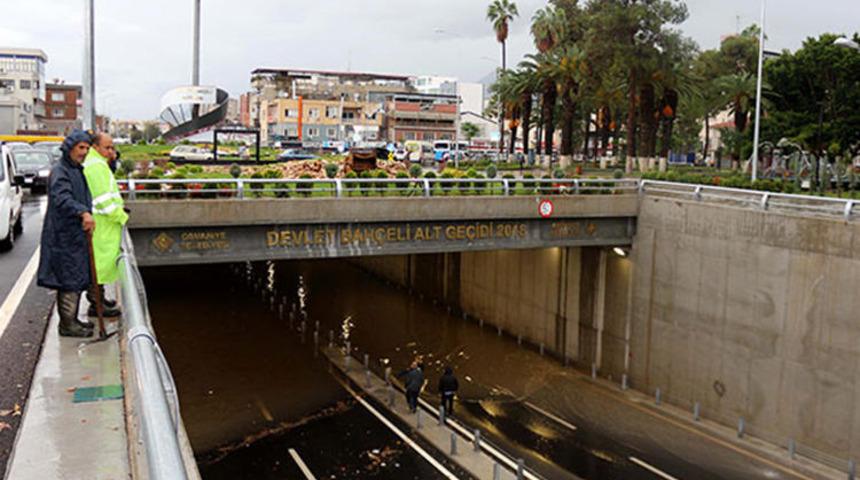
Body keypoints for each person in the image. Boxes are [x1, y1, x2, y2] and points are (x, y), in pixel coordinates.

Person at [37, 130, 96, 337]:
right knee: (68, 278)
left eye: (87, 148)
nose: (84, 152)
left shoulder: (76, 169)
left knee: (77, 276)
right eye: (81, 148)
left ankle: (72, 320)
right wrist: (82, 212)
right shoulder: (61, 171)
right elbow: (62, 198)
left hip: (74, 234)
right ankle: (67, 324)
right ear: (70, 148)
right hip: (64, 235)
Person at [83, 133, 127, 317]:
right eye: (107, 148)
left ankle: (99, 298)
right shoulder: (96, 167)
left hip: (104, 224)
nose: (111, 152)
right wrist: (121, 216)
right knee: (99, 265)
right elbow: (103, 199)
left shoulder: (97, 164)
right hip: (102, 224)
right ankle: (96, 303)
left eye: (112, 147)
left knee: (101, 264)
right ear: (96, 148)